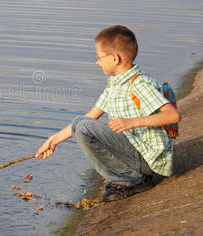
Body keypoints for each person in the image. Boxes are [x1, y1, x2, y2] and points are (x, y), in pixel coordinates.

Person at [35, 25, 181, 202]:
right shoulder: (114, 85)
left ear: (115, 58)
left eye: (98, 57)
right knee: (81, 123)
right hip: (135, 153)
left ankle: (130, 180)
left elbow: (172, 115)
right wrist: (53, 140)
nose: (97, 62)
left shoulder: (140, 84)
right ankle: (128, 176)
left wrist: (132, 122)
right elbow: (89, 117)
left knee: (84, 128)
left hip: (148, 159)